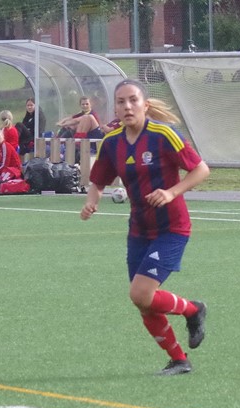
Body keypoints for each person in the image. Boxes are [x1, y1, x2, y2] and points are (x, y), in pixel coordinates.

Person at [81, 79, 210, 375]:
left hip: (172, 228)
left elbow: (201, 169)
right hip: (139, 229)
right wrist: (92, 201)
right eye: (121, 101)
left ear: (145, 104)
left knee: (140, 294)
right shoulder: (111, 142)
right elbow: (98, 181)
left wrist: (171, 192)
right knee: (144, 304)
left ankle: (193, 310)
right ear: (115, 107)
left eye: (133, 100)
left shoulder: (163, 134)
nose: (127, 106)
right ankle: (179, 360)